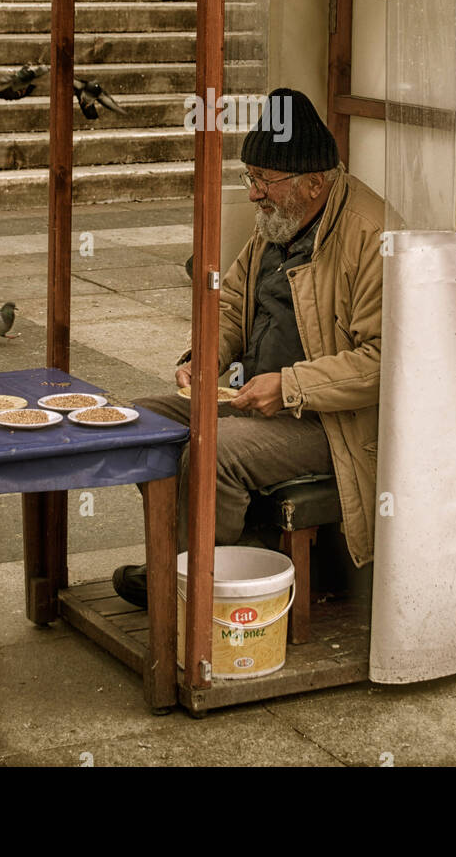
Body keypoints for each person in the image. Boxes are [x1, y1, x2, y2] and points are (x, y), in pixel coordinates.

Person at [112, 87, 387, 609]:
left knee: (214, 452)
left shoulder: (369, 235)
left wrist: (289, 387)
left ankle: (200, 584)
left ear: (313, 184)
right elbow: (233, 303)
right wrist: (206, 354)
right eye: (250, 178)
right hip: (254, 397)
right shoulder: (279, 223)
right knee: (141, 422)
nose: (254, 194)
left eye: (264, 181)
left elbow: (384, 362)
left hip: (331, 422)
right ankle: (193, 558)